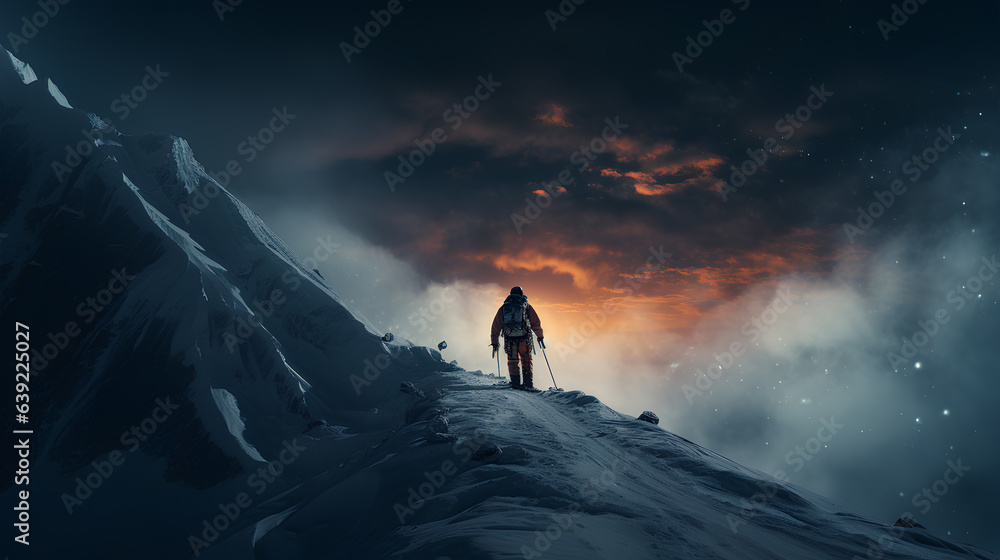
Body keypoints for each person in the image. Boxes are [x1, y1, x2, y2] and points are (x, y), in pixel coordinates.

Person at [490, 286, 544, 390]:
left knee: (512, 361)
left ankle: (515, 384)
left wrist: (494, 341)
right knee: (526, 360)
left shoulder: (504, 308)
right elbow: (535, 322)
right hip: (524, 338)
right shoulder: (526, 306)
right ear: (521, 293)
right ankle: (528, 384)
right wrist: (540, 336)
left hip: (510, 340)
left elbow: (496, 326)